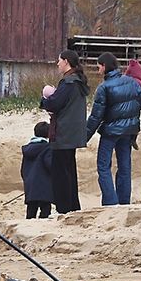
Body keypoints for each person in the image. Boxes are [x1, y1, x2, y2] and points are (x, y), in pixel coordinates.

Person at [86, 52, 141, 206]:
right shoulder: (132, 82)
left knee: (103, 167)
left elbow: (96, 116)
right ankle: (124, 202)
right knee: (124, 167)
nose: (98, 69)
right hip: (129, 131)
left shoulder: (104, 87)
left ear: (104, 66)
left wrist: (84, 136)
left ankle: (111, 203)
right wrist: (129, 114)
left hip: (110, 132)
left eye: (99, 66)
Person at [39, 50, 88, 213]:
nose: (57, 63)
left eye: (59, 60)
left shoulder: (68, 82)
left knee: (61, 175)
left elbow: (54, 104)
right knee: (69, 172)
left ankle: (64, 209)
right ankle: (73, 207)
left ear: (66, 61)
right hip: (72, 134)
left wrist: (44, 100)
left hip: (63, 134)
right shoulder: (78, 81)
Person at [22, 121, 55, 219]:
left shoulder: (27, 149)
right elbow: (49, 165)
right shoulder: (47, 148)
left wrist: (27, 180)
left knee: (31, 210)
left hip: (30, 185)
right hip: (44, 186)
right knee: (45, 209)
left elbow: (23, 169)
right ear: (48, 134)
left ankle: (28, 227)